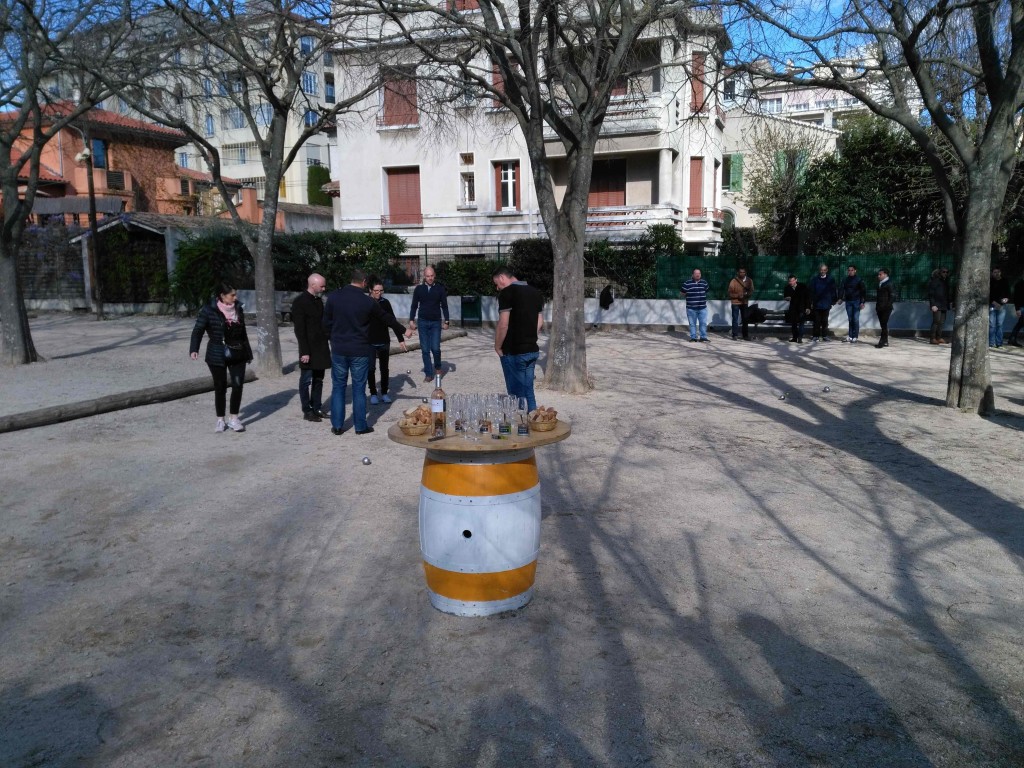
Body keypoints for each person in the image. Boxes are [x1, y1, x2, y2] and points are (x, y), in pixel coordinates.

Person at [323, 268, 410, 436]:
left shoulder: (333, 297)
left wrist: (333, 340)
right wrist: (403, 330)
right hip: (360, 350)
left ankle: (337, 426)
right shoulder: (367, 302)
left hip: (339, 350)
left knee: (338, 387)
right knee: (358, 389)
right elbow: (386, 317)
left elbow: (325, 324)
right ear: (364, 283)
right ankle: (360, 426)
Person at [189, 282, 252, 433]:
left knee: (237, 385)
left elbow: (243, 333)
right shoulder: (209, 310)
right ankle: (220, 420)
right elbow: (198, 330)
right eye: (232, 295)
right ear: (222, 296)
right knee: (220, 387)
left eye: (235, 294)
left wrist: (248, 353)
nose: (235, 297)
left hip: (237, 352)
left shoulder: (238, 308)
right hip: (217, 353)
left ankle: (234, 418)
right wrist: (194, 349)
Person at [492, 266, 545, 412]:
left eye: (497, 283)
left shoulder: (507, 293)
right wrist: (529, 335)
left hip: (514, 351)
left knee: (516, 396)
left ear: (502, 277)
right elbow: (540, 321)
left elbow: (503, 324)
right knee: (528, 390)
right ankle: (534, 422)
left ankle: (521, 429)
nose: (497, 288)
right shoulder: (535, 292)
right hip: (532, 349)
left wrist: (497, 346)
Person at [291, 273, 330, 422]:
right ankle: (306, 410)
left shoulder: (318, 301)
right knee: (306, 380)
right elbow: (299, 330)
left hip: (320, 346)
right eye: (321, 285)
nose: (324, 288)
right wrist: (305, 351)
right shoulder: (300, 302)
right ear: (312, 285)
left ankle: (317, 407)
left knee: (319, 379)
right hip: (308, 347)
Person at [367, 279, 407, 404]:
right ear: (370, 290)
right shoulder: (366, 303)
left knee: (384, 369)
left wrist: (401, 339)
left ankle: (384, 393)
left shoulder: (386, 303)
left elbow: (392, 321)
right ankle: (373, 393)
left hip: (384, 340)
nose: (379, 293)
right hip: (369, 341)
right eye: (376, 291)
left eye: (381, 291)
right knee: (370, 368)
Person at [408, 266, 450, 382]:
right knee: (425, 349)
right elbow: (414, 305)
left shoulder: (440, 289)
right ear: (424, 277)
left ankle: (437, 367)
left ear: (434, 275)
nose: (430, 278)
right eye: (428, 276)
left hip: (436, 322)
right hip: (422, 322)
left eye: (432, 276)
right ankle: (428, 373)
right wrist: (411, 320)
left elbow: (445, 306)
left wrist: (447, 321)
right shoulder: (419, 289)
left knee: (435, 348)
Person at [809, 264, 838, 341]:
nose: (823, 271)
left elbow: (833, 290)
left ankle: (825, 336)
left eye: (824, 270)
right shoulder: (814, 279)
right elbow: (811, 291)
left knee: (825, 321)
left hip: (826, 303)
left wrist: (833, 301)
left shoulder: (830, 279)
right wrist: (811, 302)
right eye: (821, 270)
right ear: (819, 270)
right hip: (817, 304)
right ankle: (815, 336)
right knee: (816, 321)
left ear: (827, 270)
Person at [839, 264, 867, 343]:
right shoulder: (845, 279)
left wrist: (862, 302)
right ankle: (850, 336)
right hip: (848, 301)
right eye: (849, 270)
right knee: (850, 319)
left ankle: (855, 336)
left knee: (855, 319)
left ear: (855, 270)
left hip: (857, 302)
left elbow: (863, 291)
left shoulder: (859, 279)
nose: (850, 272)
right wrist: (840, 298)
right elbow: (841, 289)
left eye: (852, 270)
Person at [680, 268, 710, 342]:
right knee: (692, 324)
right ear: (692, 275)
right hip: (691, 308)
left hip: (702, 308)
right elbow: (682, 293)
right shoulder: (687, 283)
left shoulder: (704, 283)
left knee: (703, 323)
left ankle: (703, 337)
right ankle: (693, 338)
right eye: (696, 273)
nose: (698, 275)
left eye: (699, 273)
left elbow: (706, 290)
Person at [927, 266, 953, 344]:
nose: (945, 273)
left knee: (941, 322)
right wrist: (933, 305)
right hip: (937, 305)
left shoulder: (945, 282)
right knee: (936, 321)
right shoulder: (935, 281)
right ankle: (932, 338)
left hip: (944, 304)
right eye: (943, 272)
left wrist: (950, 302)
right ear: (939, 273)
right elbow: (931, 294)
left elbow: (947, 294)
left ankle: (938, 337)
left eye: (947, 272)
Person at [727, 267, 755, 341]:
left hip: (744, 302)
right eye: (740, 272)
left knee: (745, 319)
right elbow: (729, 293)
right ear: (738, 273)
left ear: (745, 273)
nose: (742, 273)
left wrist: (746, 295)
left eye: (743, 272)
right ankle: (735, 335)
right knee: (735, 319)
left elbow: (751, 290)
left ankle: (745, 335)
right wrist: (738, 296)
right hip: (735, 302)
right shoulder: (733, 281)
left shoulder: (749, 280)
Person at [783, 274, 810, 343]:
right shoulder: (787, 288)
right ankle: (795, 338)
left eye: (792, 281)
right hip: (793, 308)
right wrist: (787, 298)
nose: (791, 283)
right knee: (793, 324)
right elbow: (785, 296)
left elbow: (807, 297)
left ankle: (800, 338)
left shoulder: (803, 286)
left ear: (796, 280)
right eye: (789, 281)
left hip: (802, 308)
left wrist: (808, 307)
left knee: (801, 323)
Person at [989, 267, 1011, 348]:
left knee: (1000, 324)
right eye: (995, 272)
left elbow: (1008, 293)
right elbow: (988, 294)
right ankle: (991, 343)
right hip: (992, 305)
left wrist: (1006, 299)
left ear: (1000, 272)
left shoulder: (1005, 281)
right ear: (992, 273)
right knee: (992, 324)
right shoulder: (990, 281)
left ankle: (999, 343)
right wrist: (994, 302)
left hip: (1002, 306)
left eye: (998, 272)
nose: (996, 273)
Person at [875, 268, 894, 348]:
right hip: (880, 307)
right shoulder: (881, 283)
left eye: (880, 274)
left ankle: (882, 341)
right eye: (878, 274)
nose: (878, 276)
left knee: (883, 324)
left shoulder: (889, 283)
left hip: (886, 308)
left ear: (885, 274)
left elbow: (893, 295)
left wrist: (887, 305)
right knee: (883, 324)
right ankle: (885, 341)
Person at [1008, 276, 1024, 347]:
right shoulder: (1019, 284)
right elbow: (1016, 297)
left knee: (1020, 323)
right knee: (1021, 323)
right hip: (1022, 307)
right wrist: (1017, 309)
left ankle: (1012, 339)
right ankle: (1012, 339)